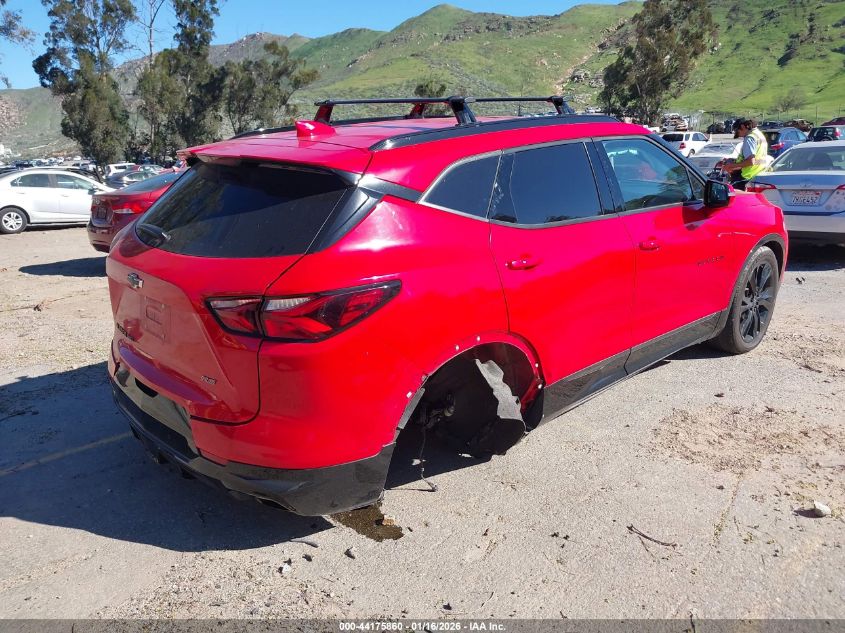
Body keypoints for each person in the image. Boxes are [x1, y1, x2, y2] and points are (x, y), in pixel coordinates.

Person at [718, 118, 769, 190]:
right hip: (758, 173)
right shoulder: (759, 135)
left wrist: (730, 166)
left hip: (747, 177)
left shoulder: (749, 138)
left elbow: (750, 161)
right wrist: (734, 161)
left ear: (742, 127)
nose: (739, 135)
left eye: (737, 131)